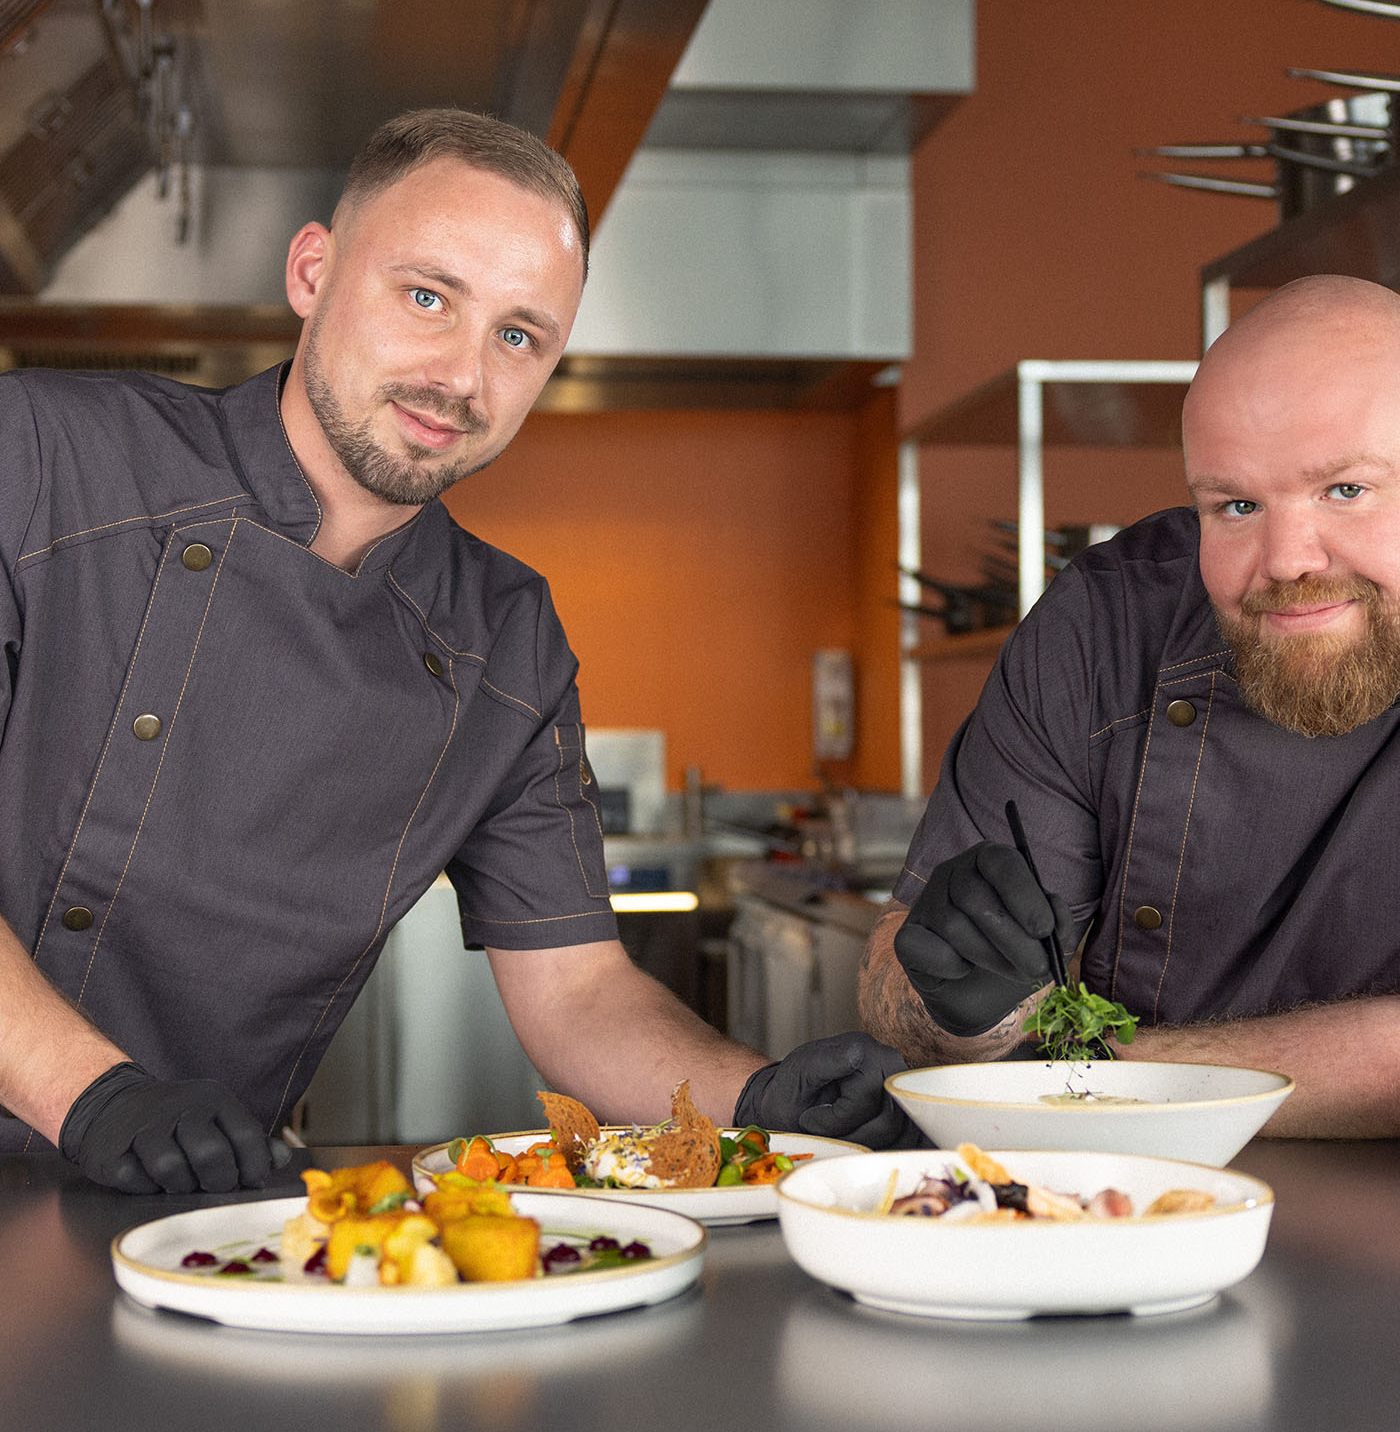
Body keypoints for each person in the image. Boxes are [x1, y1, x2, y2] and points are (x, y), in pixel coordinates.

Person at [0, 108, 915, 1193]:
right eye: (427, 296)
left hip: (186, 1208)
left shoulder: (504, 637)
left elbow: (578, 991)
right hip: (113, 1136)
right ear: (311, 271)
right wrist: (91, 1094)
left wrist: (752, 1103)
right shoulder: (43, 457)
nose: (461, 376)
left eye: (518, 336)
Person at [859, 274, 1400, 1138]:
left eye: (1344, 490)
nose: (1287, 559)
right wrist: (954, 1002)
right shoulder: (1108, 626)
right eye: (1236, 505)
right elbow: (895, 984)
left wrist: (1066, 1082)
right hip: (1112, 1195)